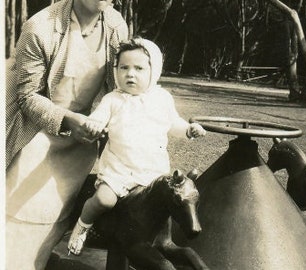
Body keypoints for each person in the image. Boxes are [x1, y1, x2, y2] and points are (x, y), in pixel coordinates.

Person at [5, 0, 128, 269]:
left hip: (79, 142)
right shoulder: (40, 27)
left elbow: (120, 87)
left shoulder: (116, 25)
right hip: (30, 133)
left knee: (50, 227)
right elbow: (27, 97)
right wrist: (68, 121)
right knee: (17, 224)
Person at [67, 37, 206, 255]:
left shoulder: (162, 98)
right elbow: (97, 119)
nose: (130, 74)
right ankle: (82, 226)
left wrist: (188, 129)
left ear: (154, 71)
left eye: (139, 68)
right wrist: (93, 125)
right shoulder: (113, 100)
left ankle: (154, 243)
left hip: (152, 171)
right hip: (119, 170)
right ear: (116, 71)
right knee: (104, 200)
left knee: (165, 204)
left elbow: (174, 123)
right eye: (124, 68)